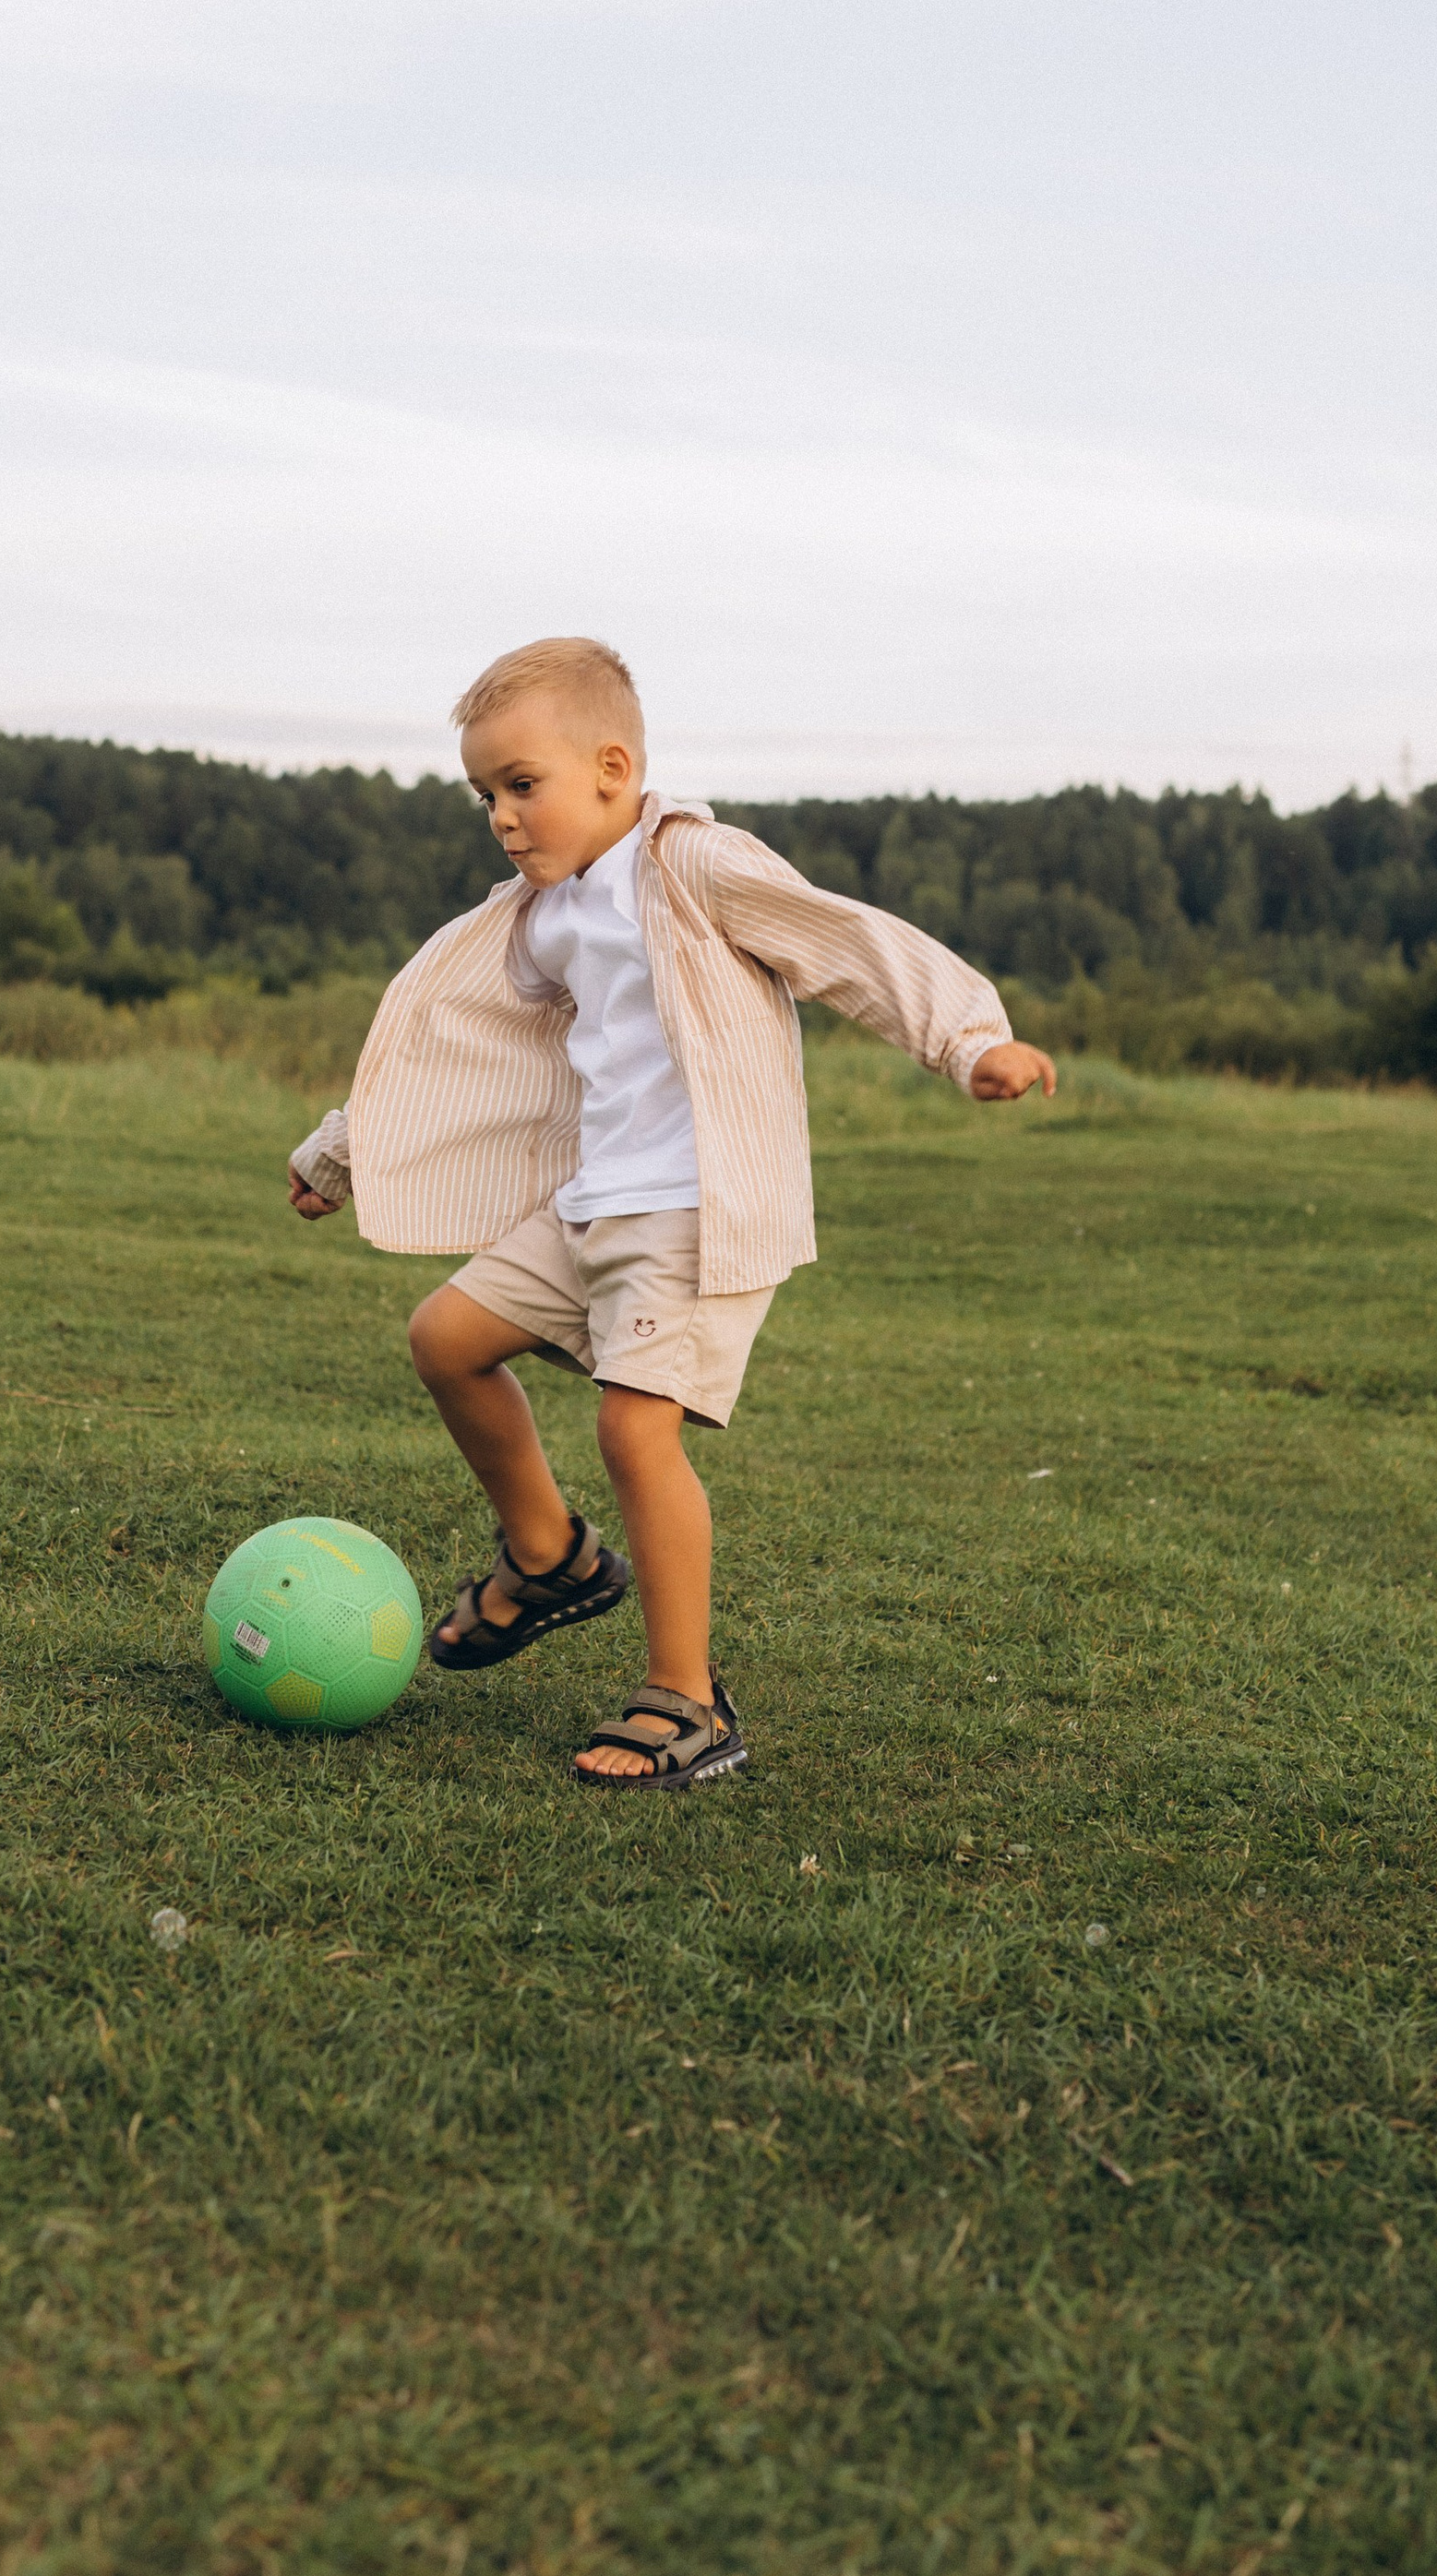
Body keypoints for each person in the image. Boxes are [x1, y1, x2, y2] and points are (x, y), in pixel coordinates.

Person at [286, 637, 1056, 1789]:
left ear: (611, 766)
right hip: (592, 1204)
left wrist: (970, 1043)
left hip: (698, 1207)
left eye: (521, 785)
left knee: (635, 1429)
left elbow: (846, 941)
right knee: (444, 1341)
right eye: (483, 794)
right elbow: (448, 1052)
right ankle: (549, 1558)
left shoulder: (690, 866)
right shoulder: (537, 917)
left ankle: (687, 1701)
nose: (500, 817)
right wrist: (340, 1152)